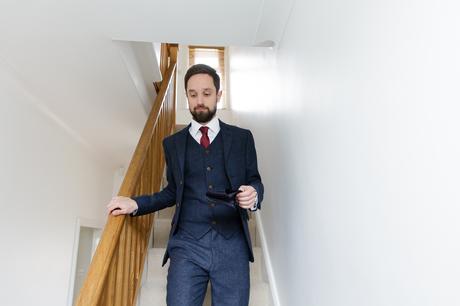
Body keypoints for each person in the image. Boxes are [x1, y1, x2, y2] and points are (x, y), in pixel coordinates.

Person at [107, 63, 264, 306]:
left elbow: (255, 180)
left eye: (206, 93)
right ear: (187, 97)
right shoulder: (172, 144)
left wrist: (253, 195)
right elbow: (172, 192)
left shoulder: (242, 138)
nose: (199, 100)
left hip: (232, 244)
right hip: (187, 244)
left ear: (218, 95)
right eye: (193, 94)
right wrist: (135, 204)